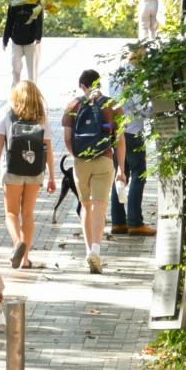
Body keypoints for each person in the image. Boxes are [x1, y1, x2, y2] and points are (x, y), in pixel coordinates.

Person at [61, 69, 122, 273]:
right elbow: (120, 141)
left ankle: (88, 251)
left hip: (81, 163)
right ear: (99, 83)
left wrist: (77, 156)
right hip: (104, 159)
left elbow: (68, 139)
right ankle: (96, 250)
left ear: (82, 85)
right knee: (100, 206)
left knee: (86, 206)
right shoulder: (112, 105)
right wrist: (121, 167)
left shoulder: (73, 105)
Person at [0, 79, 54, 270]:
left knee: (11, 213)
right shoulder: (42, 116)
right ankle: (25, 259)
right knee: (28, 214)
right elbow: (48, 148)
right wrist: (52, 176)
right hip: (35, 171)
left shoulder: (6, 114)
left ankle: (18, 243)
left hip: (13, 170)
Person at [107, 59, 152, 238]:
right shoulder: (133, 77)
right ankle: (135, 223)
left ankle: (118, 222)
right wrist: (158, 107)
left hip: (118, 132)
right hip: (133, 133)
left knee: (120, 175)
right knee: (138, 176)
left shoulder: (115, 74)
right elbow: (142, 108)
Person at [2, 0, 44, 84]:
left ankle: (32, 95)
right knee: (16, 68)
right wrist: (5, 40)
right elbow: (9, 23)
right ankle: (15, 93)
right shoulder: (14, 4)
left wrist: (38, 38)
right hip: (17, 41)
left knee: (32, 72)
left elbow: (40, 22)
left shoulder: (36, 3)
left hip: (31, 42)